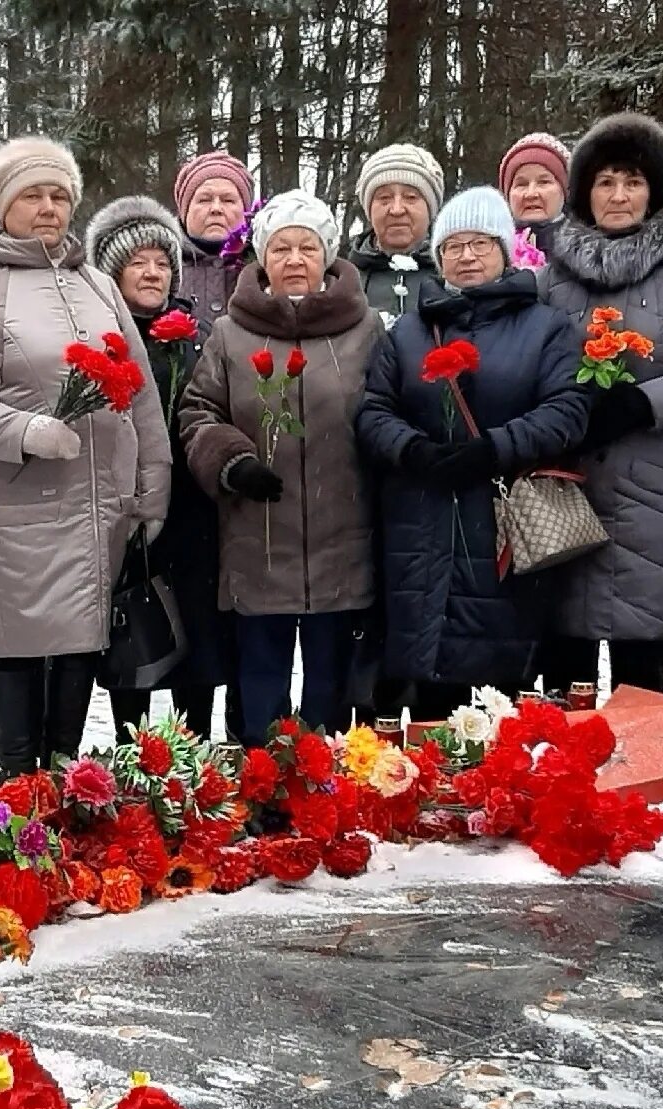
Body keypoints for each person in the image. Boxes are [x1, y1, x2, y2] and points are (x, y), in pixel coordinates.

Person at [0, 137, 172, 774]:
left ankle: (64, 775)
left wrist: (153, 481)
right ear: (1, 207)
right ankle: (17, 782)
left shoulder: (97, 285)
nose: (49, 207)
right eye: (32, 195)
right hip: (20, 508)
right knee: (22, 644)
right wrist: (25, 431)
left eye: (59, 195)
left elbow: (137, 388)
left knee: (85, 642)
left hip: (104, 506)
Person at [356, 187, 589, 714]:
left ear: (505, 251)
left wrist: (494, 450)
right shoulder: (409, 332)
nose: (466, 256)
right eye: (453, 245)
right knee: (427, 679)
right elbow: (373, 410)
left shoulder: (546, 327)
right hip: (419, 520)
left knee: (495, 686)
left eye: (480, 243)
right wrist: (411, 450)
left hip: (504, 518)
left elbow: (568, 410)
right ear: (437, 257)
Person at [535, 114, 663, 695]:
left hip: (657, 488)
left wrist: (640, 404)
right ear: (583, 193)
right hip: (566, 487)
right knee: (564, 666)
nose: (619, 195)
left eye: (632, 181)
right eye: (604, 182)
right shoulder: (553, 278)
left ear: (654, 192)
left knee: (640, 670)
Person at [176, 190, 383, 736]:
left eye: (307, 248)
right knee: (259, 685)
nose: (294, 259)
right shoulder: (230, 333)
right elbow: (197, 412)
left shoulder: (365, 331)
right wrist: (231, 461)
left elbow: (388, 409)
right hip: (258, 539)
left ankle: (326, 795)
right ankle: (260, 789)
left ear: (328, 256)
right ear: (261, 258)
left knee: (329, 690)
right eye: (281, 248)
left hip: (343, 539)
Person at [85, 195, 231, 740]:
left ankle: (195, 751)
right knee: (134, 638)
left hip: (194, 514)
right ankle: (132, 751)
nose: (152, 272)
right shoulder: (98, 337)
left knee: (199, 640)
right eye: (138, 261)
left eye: (162, 261)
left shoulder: (198, 335)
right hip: (127, 513)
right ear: (112, 271)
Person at [347, 144, 446, 327]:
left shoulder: (451, 277)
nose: (397, 209)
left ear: (430, 208)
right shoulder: (343, 281)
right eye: (384, 198)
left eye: (411, 197)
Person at [171, 151, 255, 326]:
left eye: (228, 200)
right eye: (204, 200)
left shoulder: (267, 266)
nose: (216, 208)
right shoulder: (161, 264)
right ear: (184, 211)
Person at [498, 132, 571, 258]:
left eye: (544, 182)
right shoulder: (486, 255)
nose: (531, 194)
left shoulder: (590, 257)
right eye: (521, 184)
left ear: (565, 191)